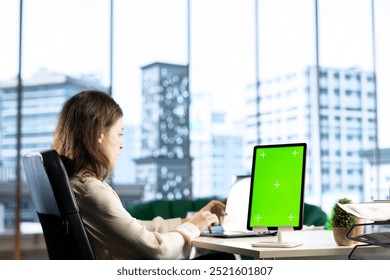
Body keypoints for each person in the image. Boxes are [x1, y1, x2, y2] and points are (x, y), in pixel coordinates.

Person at [51, 89, 226, 260]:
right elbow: (157, 250)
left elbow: (134, 229)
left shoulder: (76, 184)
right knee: (226, 261)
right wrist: (193, 227)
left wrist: (191, 221)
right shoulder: (89, 190)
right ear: (99, 134)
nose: (121, 144)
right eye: (119, 134)